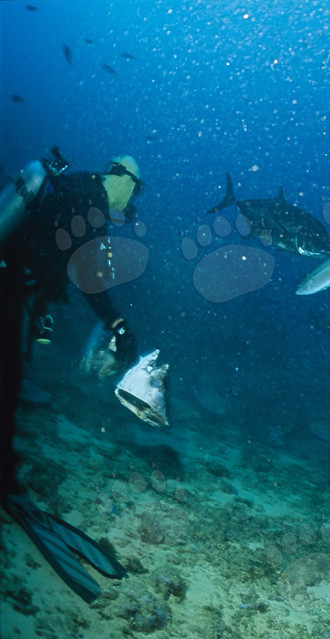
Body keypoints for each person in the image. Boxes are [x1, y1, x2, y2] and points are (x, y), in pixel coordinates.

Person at [0, 149, 144, 602]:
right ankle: (5, 483)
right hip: (7, 281)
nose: (134, 198)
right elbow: (90, 275)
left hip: (14, 282)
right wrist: (119, 326)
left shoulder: (79, 191)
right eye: (135, 187)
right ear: (119, 178)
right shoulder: (89, 200)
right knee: (6, 383)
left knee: (8, 380)